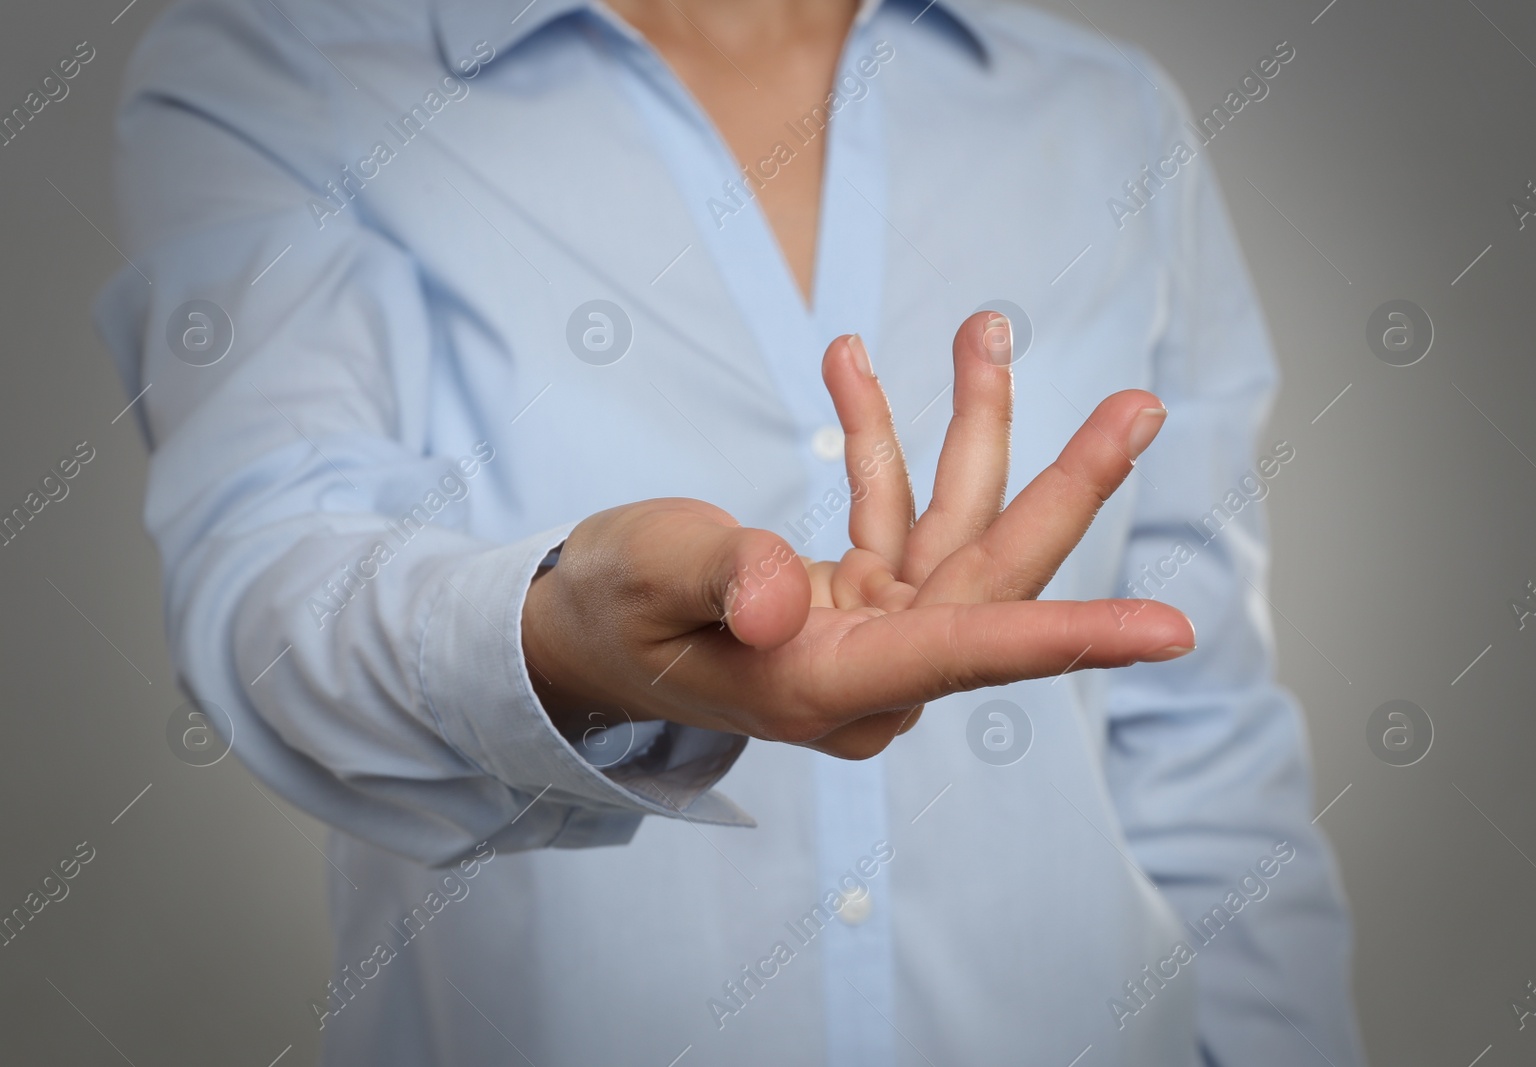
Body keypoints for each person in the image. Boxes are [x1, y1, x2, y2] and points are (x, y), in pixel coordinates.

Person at [95, 0, 1365, 1063]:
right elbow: (272, 588)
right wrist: (558, 638)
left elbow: (1204, 745)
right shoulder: (284, 62)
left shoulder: (1106, 114)